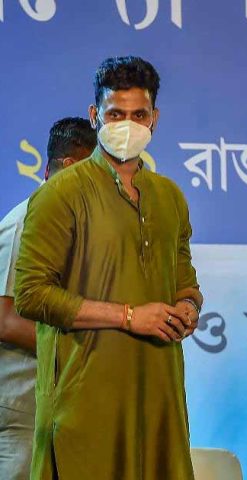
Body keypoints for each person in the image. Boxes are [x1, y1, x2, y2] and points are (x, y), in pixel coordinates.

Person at [14, 56, 203, 480]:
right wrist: (130, 316)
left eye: (139, 115)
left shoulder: (169, 196)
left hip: (159, 397)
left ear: (154, 119)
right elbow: (31, 293)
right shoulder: (60, 194)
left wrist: (187, 307)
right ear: (95, 115)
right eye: (116, 114)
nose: (128, 124)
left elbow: (185, 280)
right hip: (85, 402)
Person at [0, 117, 96, 480]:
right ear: (70, 169)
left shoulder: (69, 229)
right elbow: (6, 321)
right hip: (21, 404)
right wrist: (82, 350)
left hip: (56, 404)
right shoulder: (26, 222)